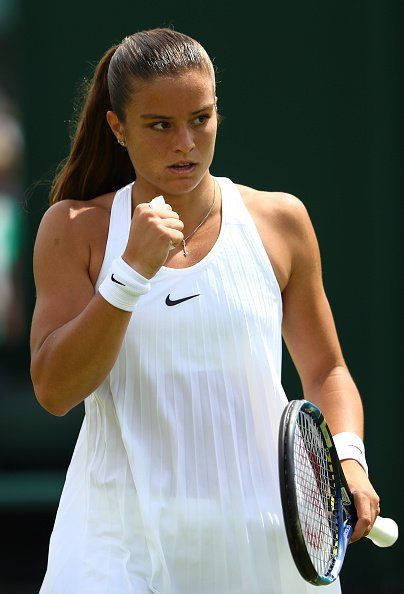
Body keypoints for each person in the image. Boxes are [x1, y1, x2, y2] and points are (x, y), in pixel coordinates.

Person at [30, 28, 380, 594]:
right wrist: (129, 275)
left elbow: (326, 372)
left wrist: (349, 458)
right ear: (118, 128)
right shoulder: (75, 230)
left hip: (265, 545)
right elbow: (54, 390)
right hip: (116, 548)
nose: (185, 144)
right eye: (160, 125)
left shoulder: (281, 222)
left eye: (200, 118)